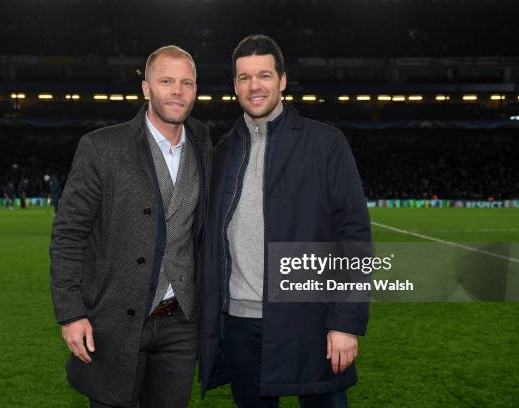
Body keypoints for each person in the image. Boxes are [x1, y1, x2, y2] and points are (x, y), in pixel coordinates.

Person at [197, 35, 371, 408]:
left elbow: (355, 236)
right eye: (244, 78)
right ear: (234, 86)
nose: (254, 86)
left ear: (283, 80)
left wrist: (346, 320)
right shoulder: (223, 151)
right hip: (241, 323)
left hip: (311, 318)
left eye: (263, 75)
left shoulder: (326, 143)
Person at [49, 45, 211, 408]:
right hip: (115, 323)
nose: (178, 91)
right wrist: (71, 313)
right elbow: (68, 235)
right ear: (146, 88)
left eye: (187, 82)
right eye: (166, 81)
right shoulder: (101, 147)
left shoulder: (203, 141)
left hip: (180, 325)